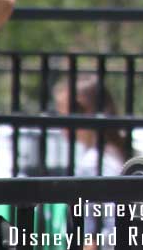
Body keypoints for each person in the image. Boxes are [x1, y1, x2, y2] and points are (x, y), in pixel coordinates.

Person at [54, 76, 129, 249]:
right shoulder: (116, 153)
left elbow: (99, 232)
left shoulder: (94, 163)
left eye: (62, 113)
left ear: (81, 111)